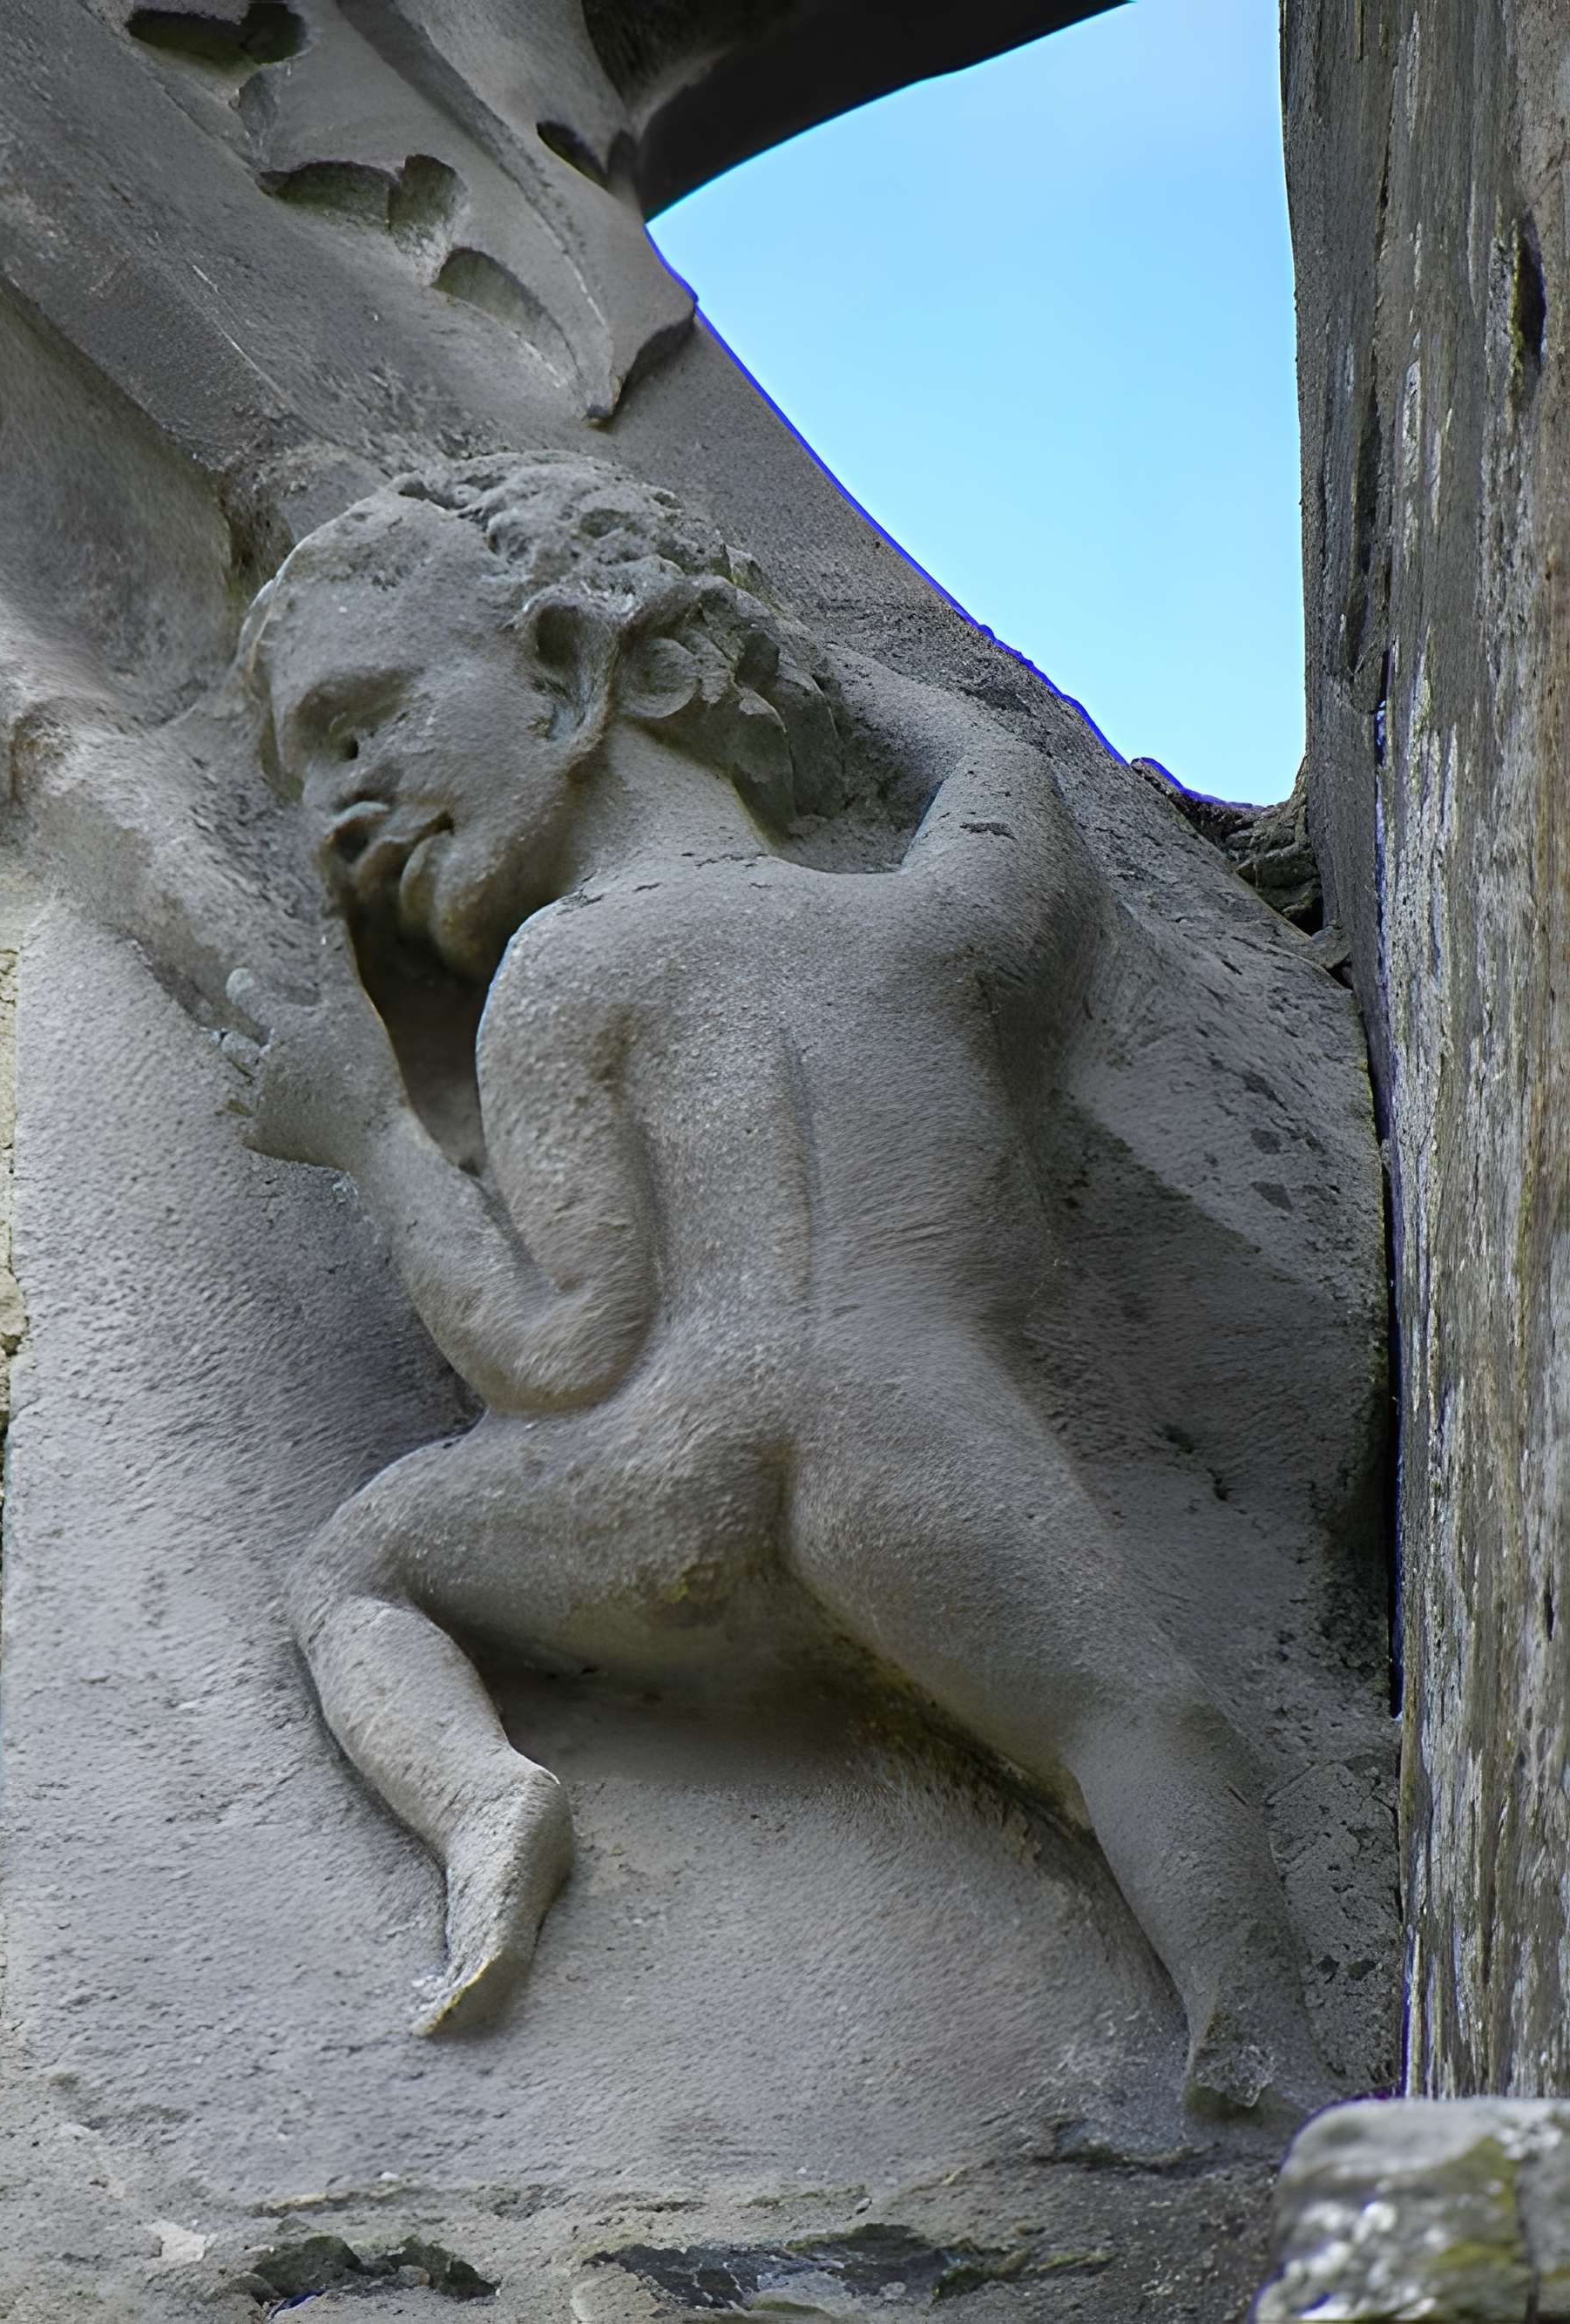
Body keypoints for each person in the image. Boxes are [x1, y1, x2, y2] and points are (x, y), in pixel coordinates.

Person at [238, 453, 1322, 2118]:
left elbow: (555, 1347)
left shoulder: (569, 968)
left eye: (363, 720)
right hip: (921, 1436)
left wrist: (368, 1133)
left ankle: (481, 1808)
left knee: (356, 1564)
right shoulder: (929, 936)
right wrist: (772, 645)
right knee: (1140, 1717)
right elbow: (995, 771)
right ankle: (1262, 2048)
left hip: (669, 1465)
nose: (333, 812)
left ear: (577, 673)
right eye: (307, 771)